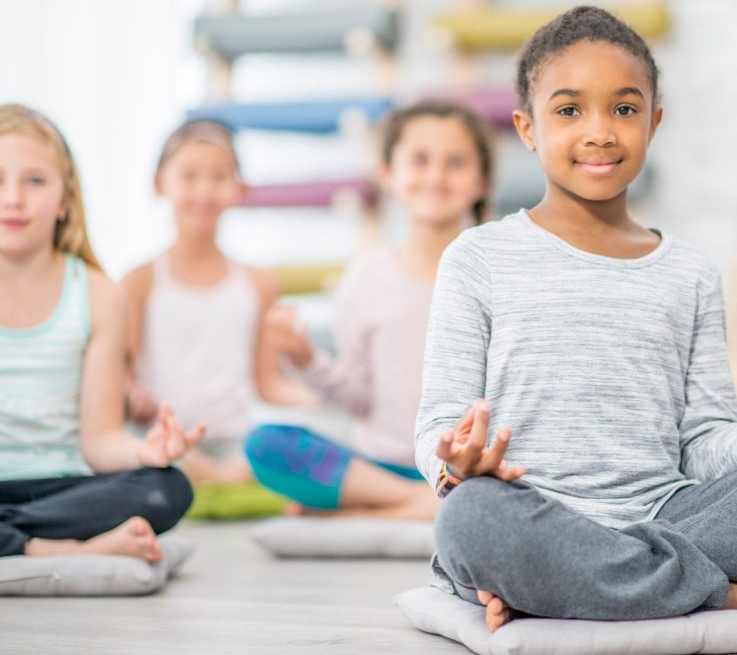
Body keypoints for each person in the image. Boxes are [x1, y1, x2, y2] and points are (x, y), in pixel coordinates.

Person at [414, 7, 737, 632]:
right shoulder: (476, 257)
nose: (599, 132)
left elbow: (701, 446)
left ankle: (585, 585)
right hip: (529, 513)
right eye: (569, 111)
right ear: (527, 128)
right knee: (471, 522)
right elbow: (437, 425)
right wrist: (457, 466)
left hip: (671, 515)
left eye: (624, 109)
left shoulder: (690, 273)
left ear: (655, 122)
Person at [245, 101, 493, 519]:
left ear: (481, 181)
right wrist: (304, 359)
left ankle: (371, 511)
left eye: (455, 163)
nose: (435, 175)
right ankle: (417, 503)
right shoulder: (365, 277)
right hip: (380, 465)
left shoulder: (494, 275)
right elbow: (358, 398)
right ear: (387, 174)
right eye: (419, 160)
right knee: (266, 445)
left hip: (466, 469)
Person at [0, 104, 202, 561]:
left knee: (165, 487)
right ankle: (48, 550)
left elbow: (99, 440)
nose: (13, 198)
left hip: (64, 490)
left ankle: (17, 542)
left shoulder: (99, 296)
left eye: (34, 181)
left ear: (65, 201)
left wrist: (145, 452)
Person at [122, 119, 311, 485]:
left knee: (280, 445)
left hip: (237, 443)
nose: (204, 191)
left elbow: (268, 382)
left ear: (239, 188)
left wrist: (322, 400)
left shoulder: (260, 283)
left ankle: (219, 479)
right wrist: (133, 397)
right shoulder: (138, 281)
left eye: (219, 177)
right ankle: (218, 480)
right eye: (189, 176)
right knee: (152, 454)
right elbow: (126, 380)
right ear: (160, 183)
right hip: (165, 439)